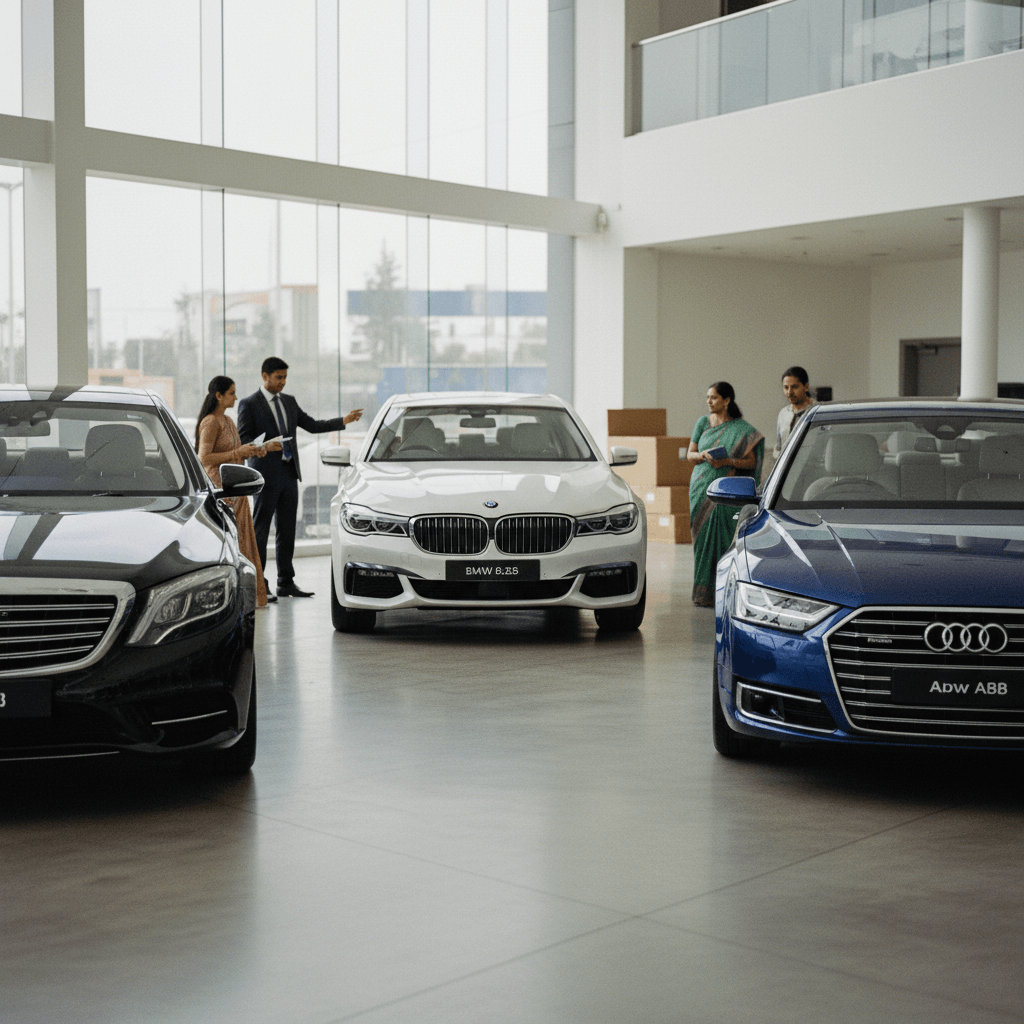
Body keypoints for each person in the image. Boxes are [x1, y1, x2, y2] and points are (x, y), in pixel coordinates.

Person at [237, 357, 363, 598]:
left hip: (288, 473)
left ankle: (286, 582)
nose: (283, 382)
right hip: (264, 475)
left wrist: (343, 421)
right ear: (265, 376)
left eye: (285, 377)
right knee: (261, 530)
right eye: (278, 377)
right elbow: (244, 440)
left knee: (287, 529)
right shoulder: (249, 404)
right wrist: (266, 445)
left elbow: (312, 425)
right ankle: (260, 584)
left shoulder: (289, 402)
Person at [196, 376, 281, 608]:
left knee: (243, 541)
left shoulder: (228, 421)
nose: (235, 397)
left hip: (237, 488)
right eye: (231, 393)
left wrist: (259, 449)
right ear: (219, 396)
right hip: (222, 490)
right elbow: (204, 458)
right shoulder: (211, 422)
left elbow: (237, 451)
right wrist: (238, 453)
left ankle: (244, 598)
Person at [686, 382, 764, 607]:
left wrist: (727, 461)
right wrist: (702, 455)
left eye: (714, 398)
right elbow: (690, 454)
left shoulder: (742, 429)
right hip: (701, 487)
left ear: (727, 400)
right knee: (701, 540)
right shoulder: (703, 422)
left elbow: (750, 461)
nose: (709, 402)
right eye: (708, 397)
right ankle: (703, 593)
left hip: (727, 490)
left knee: (725, 537)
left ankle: (725, 592)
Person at [773, 365, 814, 459]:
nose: (789, 393)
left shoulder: (816, 411)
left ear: (806, 387)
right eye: (786, 387)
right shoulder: (783, 413)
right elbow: (778, 447)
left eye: (794, 387)